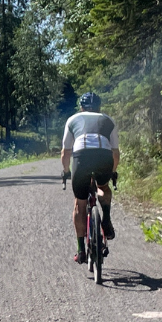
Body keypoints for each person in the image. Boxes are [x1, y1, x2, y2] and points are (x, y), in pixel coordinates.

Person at [61, 91, 118, 263]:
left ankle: (80, 250)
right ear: (99, 107)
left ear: (81, 107)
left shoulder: (72, 120)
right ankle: (106, 218)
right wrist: (112, 171)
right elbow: (115, 152)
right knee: (103, 187)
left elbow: (66, 152)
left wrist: (66, 171)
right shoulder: (108, 120)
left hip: (81, 158)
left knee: (80, 203)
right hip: (104, 157)